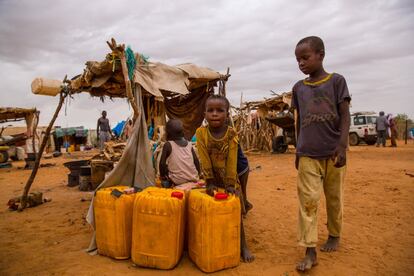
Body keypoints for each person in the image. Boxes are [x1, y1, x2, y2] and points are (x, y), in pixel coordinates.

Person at [291, 36, 351, 272]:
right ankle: (310, 250)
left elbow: (345, 115)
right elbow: (298, 121)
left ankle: (334, 234)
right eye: (297, 60)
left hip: (334, 152)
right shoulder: (298, 88)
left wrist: (342, 145)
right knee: (308, 202)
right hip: (307, 153)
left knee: (334, 197)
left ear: (321, 55)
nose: (301, 63)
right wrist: (297, 149)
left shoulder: (336, 81)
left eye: (305, 58)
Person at [196, 94, 255, 262]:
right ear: (205, 114)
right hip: (211, 177)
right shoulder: (201, 133)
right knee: (212, 209)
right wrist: (209, 181)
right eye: (210, 110)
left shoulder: (231, 133)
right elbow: (204, 157)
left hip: (229, 177)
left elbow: (232, 160)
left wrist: (230, 184)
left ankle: (243, 245)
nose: (215, 114)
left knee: (235, 209)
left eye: (220, 111)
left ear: (227, 114)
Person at [159, 119, 200, 187]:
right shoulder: (189, 144)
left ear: (168, 133)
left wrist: (163, 177)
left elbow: (162, 163)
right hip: (193, 178)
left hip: (177, 181)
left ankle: (169, 183)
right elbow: (196, 161)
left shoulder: (168, 145)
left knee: (166, 173)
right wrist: (198, 174)